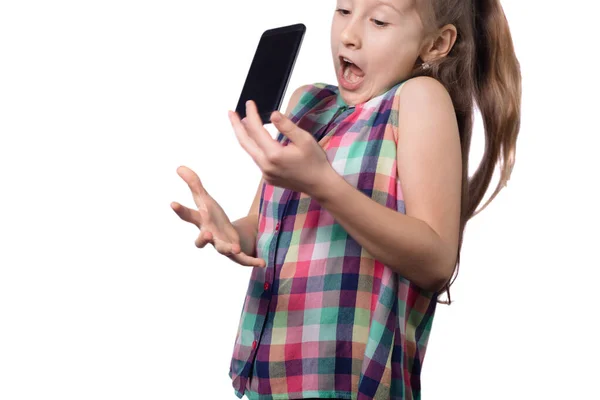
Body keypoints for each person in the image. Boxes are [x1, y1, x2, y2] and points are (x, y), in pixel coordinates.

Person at [171, 0, 521, 398]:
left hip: (351, 386)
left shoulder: (418, 99)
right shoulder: (307, 103)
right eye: (343, 10)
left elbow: (437, 260)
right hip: (270, 380)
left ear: (436, 44)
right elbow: (266, 225)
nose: (349, 35)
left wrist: (324, 184)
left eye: (378, 20)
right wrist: (231, 232)